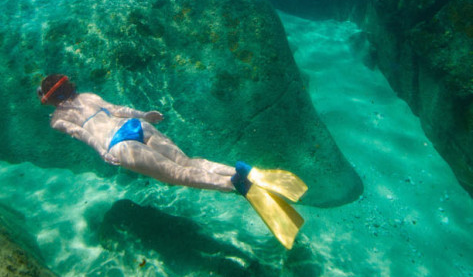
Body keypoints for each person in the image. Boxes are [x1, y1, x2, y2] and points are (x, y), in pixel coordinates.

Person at [37, 73, 308, 249]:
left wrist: (102, 151)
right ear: (68, 86)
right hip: (134, 126)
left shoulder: (57, 120)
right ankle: (241, 171)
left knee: (178, 175)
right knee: (187, 162)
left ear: (49, 100)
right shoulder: (88, 97)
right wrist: (143, 114)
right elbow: (118, 109)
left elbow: (83, 134)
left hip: (119, 144)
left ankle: (237, 184)